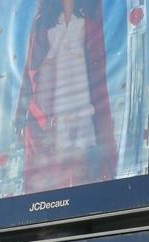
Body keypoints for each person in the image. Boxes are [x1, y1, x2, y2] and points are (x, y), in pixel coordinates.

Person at [14, 0, 118, 194]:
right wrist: (21, 115)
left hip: (82, 104)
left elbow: (99, 67)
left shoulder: (90, 19)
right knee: (53, 173)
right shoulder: (43, 23)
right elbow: (28, 72)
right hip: (52, 109)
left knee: (82, 171)